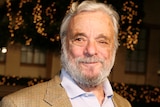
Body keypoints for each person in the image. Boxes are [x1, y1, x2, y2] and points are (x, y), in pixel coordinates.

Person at [0, 0, 131, 107]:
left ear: (114, 47)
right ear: (64, 45)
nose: (91, 50)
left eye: (102, 41)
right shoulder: (18, 104)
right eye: (80, 39)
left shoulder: (124, 104)